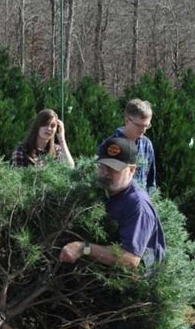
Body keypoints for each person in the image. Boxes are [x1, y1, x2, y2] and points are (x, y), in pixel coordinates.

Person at [60, 137, 165, 271]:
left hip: (133, 281)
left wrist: (83, 248)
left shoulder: (137, 205)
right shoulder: (103, 191)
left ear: (132, 170)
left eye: (114, 169)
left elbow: (130, 259)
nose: (106, 173)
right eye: (103, 166)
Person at [99, 98, 156, 193]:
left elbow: (151, 182)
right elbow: (102, 180)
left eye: (146, 126)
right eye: (139, 126)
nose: (143, 131)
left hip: (139, 201)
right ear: (127, 120)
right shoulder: (109, 146)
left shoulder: (147, 144)